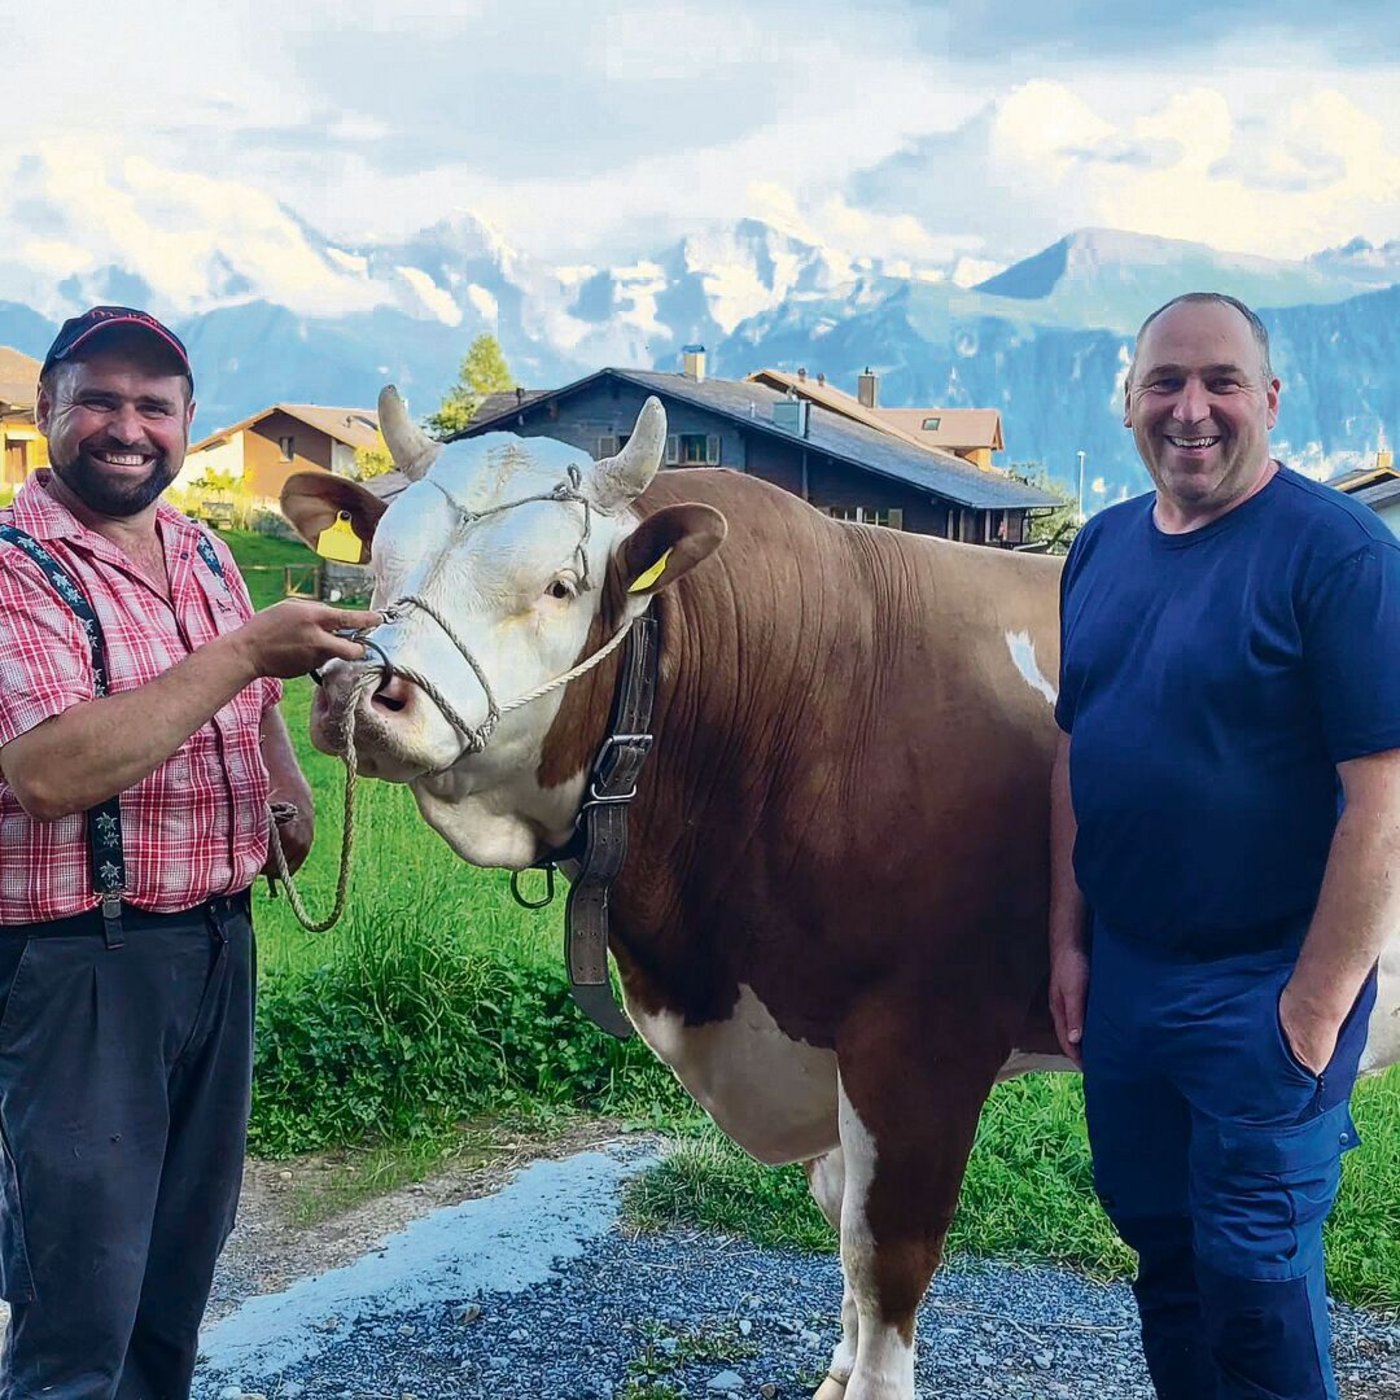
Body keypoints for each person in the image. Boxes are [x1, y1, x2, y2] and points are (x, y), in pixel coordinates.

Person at [0, 305, 378, 1399]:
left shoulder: (203, 548)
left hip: (215, 951)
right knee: (80, 1313)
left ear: (187, 420)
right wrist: (248, 645)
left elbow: (250, 700)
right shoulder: (16, 567)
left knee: (171, 1292)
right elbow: (51, 770)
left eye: (153, 406)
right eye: (101, 402)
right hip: (79, 968)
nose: (128, 428)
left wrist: (288, 783)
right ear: (48, 411)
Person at [1048, 291, 1400, 1399]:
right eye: (1164, 381)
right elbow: (1076, 750)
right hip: (1130, 973)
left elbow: (1381, 803)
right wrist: (1068, 941)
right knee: (1163, 1249)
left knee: (1252, 1273)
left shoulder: (1337, 556)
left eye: (1218, 382)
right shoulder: (1098, 548)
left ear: (1268, 400)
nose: (1189, 409)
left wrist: (1309, 1008)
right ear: (1127, 402)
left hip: (1265, 977)